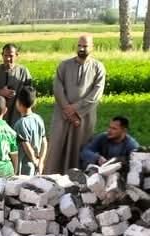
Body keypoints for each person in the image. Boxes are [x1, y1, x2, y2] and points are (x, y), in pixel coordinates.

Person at [45, 34, 106, 174]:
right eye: (79, 45)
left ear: (92, 47)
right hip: (62, 115)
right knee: (56, 148)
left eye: (85, 46)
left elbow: (96, 94)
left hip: (84, 118)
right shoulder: (64, 66)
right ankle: (51, 178)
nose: (81, 49)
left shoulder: (98, 68)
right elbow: (57, 89)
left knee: (80, 148)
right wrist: (68, 110)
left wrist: (76, 110)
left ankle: (78, 181)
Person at [0, 44, 32, 126]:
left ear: (16, 55)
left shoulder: (23, 72)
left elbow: (30, 95)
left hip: (18, 117)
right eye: (5, 55)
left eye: (11, 56)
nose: (8, 59)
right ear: (2, 55)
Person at [12, 86, 46, 176]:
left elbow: (26, 146)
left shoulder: (20, 123)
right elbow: (44, 142)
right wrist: (41, 162)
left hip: (24, 167)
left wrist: (34, 161)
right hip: (36, 165)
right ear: (34, 102)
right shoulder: (38, 118)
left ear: (18, 103)